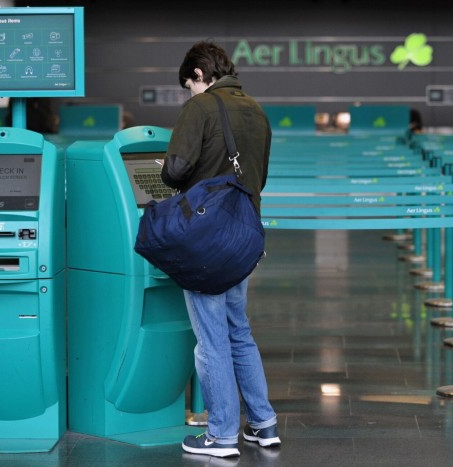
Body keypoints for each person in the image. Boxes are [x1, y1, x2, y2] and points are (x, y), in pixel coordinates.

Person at [160, 41, 280, 458]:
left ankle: (222, 434)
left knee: (210, 338)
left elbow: (176, 170)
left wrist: (164, 168)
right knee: (237, 330)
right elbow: (259, 175)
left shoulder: (201, 107)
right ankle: (263, 425)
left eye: (188, 85)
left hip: (206, 240)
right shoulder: (256, 109)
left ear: (198, 74)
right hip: (243, 235)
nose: (189, 94)